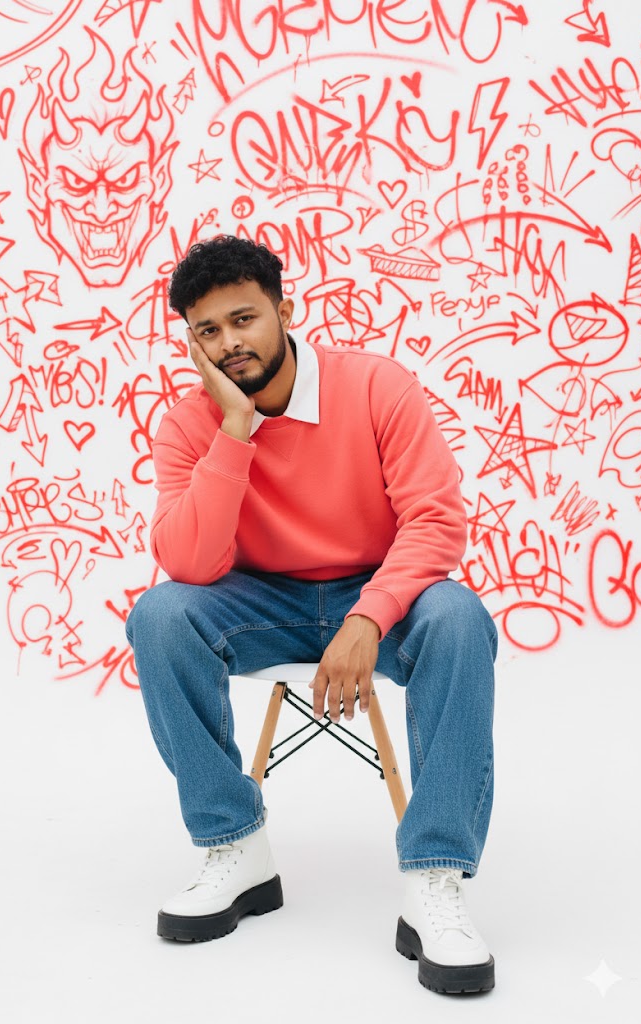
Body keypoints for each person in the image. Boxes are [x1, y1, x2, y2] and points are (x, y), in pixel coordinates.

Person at [126, 235, 498, 995]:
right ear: (192, 343)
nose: (230, 343)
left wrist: (368, 618)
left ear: (284, 311)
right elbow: (190, 566)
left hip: (379, 593)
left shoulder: (375, 387)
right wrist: (234, 430)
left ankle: (435, 876)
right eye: (208, 332)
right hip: (263, 601)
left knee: (459, 617)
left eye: (244, 319)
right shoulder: (189, 424)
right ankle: (236, 845)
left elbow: (435, 523)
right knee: (161, 616)